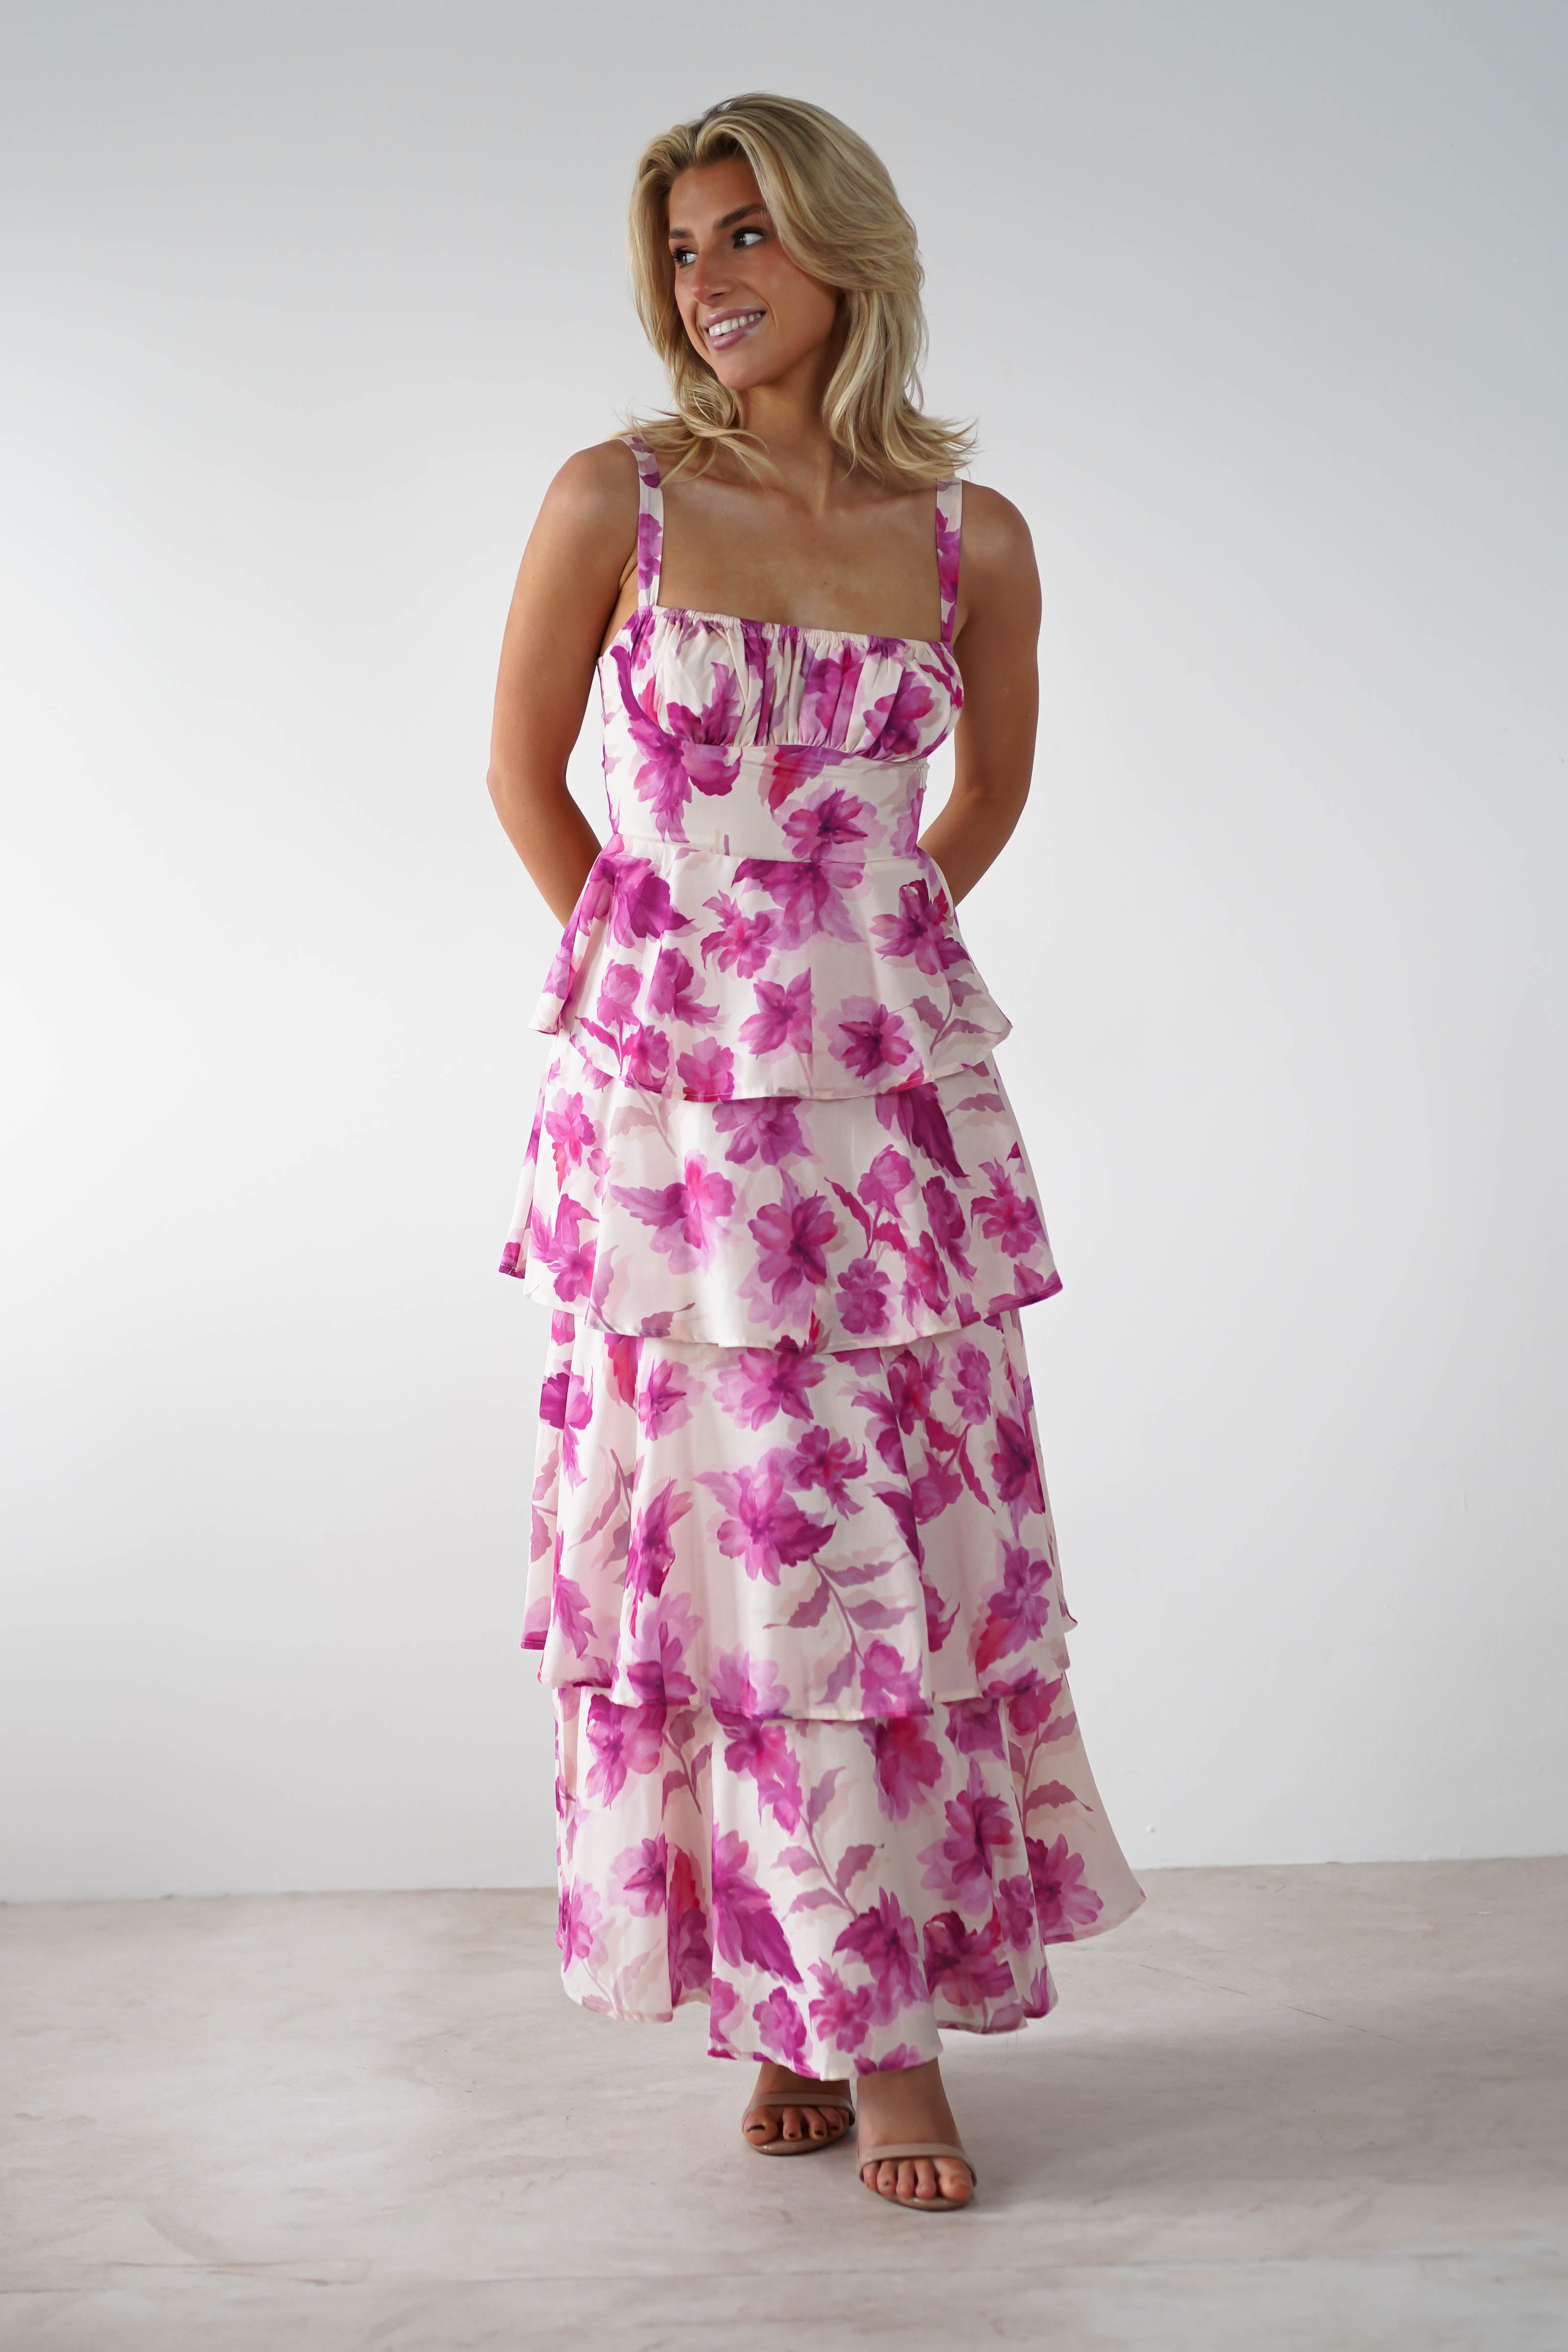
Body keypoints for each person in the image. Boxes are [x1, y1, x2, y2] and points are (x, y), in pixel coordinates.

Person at [487, 92, 1142, 2213]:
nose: (713, 279)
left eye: (748, 233)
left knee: (886, 1554)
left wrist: (842, 968)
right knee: (716, 1548)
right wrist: (680, 987)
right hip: (671, 1119)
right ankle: (783, 2002)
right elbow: (521, 784)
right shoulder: (618, 497)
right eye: (683, 248)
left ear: (845, 246)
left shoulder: (974, 536)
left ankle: (892, 2032)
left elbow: (980, 810)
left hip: (879, 1128)